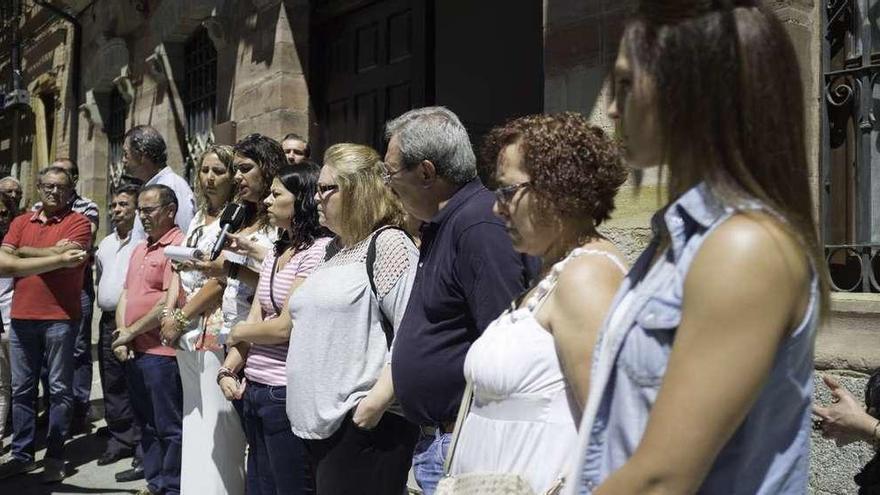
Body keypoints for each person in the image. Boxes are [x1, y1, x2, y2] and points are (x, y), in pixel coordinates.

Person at [564, 2, 830, 494]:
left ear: (689, 91)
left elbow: (660, 480)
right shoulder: (678, 239)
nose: (614, 108)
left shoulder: (746, 248)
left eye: (626, 84)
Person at [447, 113, 628, 492]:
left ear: (558, 188)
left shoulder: (586, 276)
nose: (498, 208)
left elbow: (610, 428)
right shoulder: (550, 275)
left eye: (508, 192)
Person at [383, 106, 537, 494]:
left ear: (427, 172)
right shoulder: (447, 224)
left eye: (391, 172)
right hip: (441, 442)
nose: (387, 184)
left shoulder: (478, 226)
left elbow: (506, 341)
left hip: (466, 444)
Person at [286, 143, 419, 494]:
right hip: (318, 430)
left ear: (359, 190)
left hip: (361, 430)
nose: (316, 198)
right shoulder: (332, 250)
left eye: (326, 189)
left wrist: (371, 407)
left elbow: (412, 332)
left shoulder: (389, 244)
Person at [219, 162, 331, 494]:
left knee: (291, 486)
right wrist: (228, 370)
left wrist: (236, 334)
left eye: (276, 193)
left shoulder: (318, 252)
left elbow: (285, 327)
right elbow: (257, 317)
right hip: (253, 388)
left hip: (284, 394)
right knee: (259, 485)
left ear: (302, 200)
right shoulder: (278, 250)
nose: (267, 200)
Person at [159, 145, 246, 495]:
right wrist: (168, 314)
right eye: (205, 170)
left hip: (211, 326)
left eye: (219, 171)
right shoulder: (197, 218)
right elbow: (177, 268)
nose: (209, 178)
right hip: (185, 329)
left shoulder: (234, 219)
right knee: (192, 416)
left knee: (216, 423)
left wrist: (180, 316)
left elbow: (219, 278)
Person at [0, 166, 92, 482]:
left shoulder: (79, 223)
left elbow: (73, 261)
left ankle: (55, 455)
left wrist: (23, 255)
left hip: (60, 319)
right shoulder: (20, 221)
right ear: (38, 187)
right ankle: (22, 455)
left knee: (59, 390)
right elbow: (3, 264)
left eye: (62, 187)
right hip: (22, 317)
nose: (54, 192)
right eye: (48, 186)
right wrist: (55, 256)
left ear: (71, 191)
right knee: (22, 389)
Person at [111, 184, 185, 495]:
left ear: (170, 210)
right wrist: (123, 337)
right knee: (147, 424)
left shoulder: (177, 245)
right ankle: (154, 483)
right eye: (140, 210)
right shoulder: (141, 247)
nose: (143, 217)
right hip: (133, 350)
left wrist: (131, 331)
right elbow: (126, 294)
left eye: (149, 210)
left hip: (161, 353)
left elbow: (167, 303)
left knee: (168, 426)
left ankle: (172, 487)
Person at [32, 158, 100, 433]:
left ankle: (78, 410)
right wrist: (53, 251)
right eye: (53, 177)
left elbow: (80, 247)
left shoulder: (88, 207)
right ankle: (52, 409)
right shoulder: (38, 208)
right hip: (45, 289)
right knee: (49, 352)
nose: (58, 183)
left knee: (79, 349)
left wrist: (37, 252)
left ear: (73, 179)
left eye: (66, 175)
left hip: (78, 286)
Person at [94, 183, 142, 467]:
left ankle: (140, 445)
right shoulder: (106, 244)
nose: (116, 210)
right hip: (108, 319)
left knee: (135, 381)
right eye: (113, 205)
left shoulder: (142, 242)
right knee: (112, 382)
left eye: (123, 205)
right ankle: (119, 440)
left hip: (135, 321)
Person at [123, 125, 196, 241]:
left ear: (141, 155)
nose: (123, 160)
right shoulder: (148, 187)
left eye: (126, 154)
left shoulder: (173, 186)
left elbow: (184, 237)